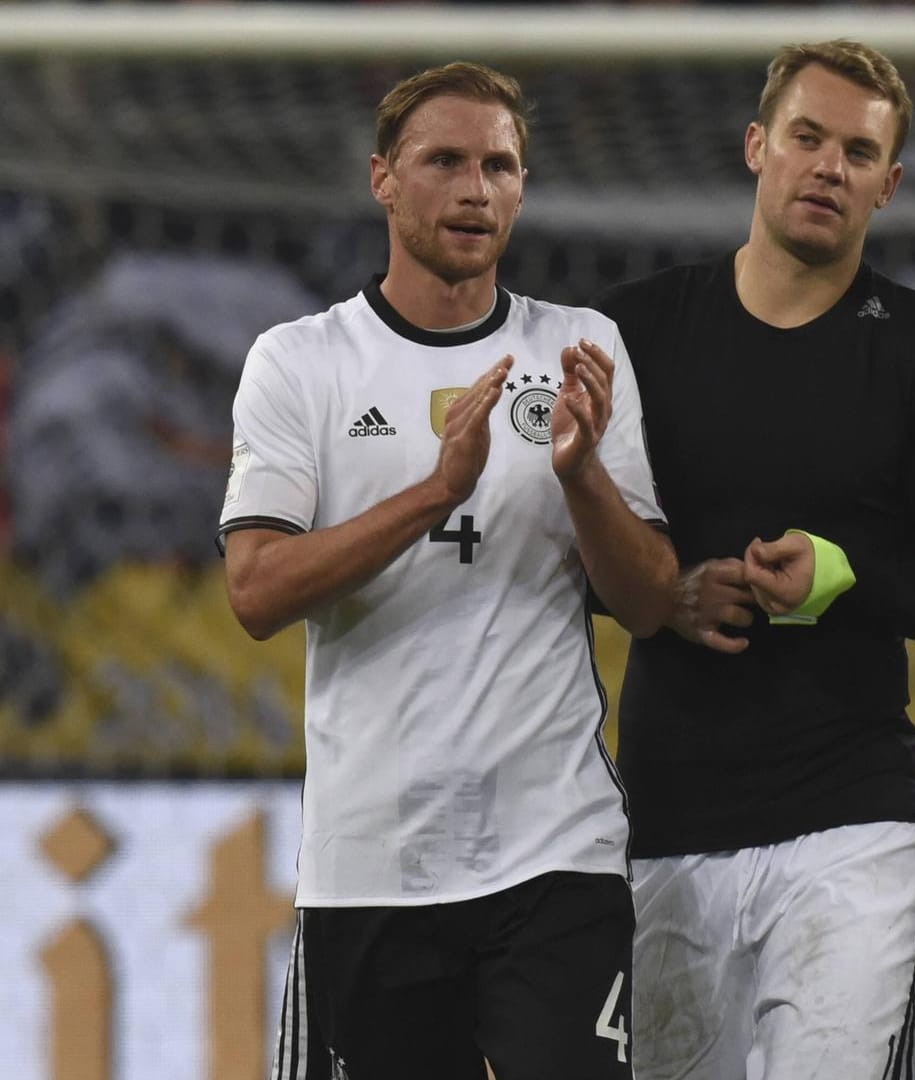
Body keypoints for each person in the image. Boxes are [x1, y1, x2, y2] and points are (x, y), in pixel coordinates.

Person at [220, 62, 677, 1080]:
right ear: (383, 178)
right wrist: (433, 493)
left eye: (501, 166)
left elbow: (648, 601)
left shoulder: (580, 349)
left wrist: (582, 475)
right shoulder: (301, 363)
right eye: (446, 162)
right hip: (370, 866)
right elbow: (254, 593)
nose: (477, 189)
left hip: (555, 853)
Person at [591, 40, 915, 1080]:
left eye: (858, 152)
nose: (828, 167)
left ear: (890, 183)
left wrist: (844, 577)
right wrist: (666, 590)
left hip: (851, 826)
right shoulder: (635, 332)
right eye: (807, 138)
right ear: (756, 147)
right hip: (663, 823)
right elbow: (563, 567)